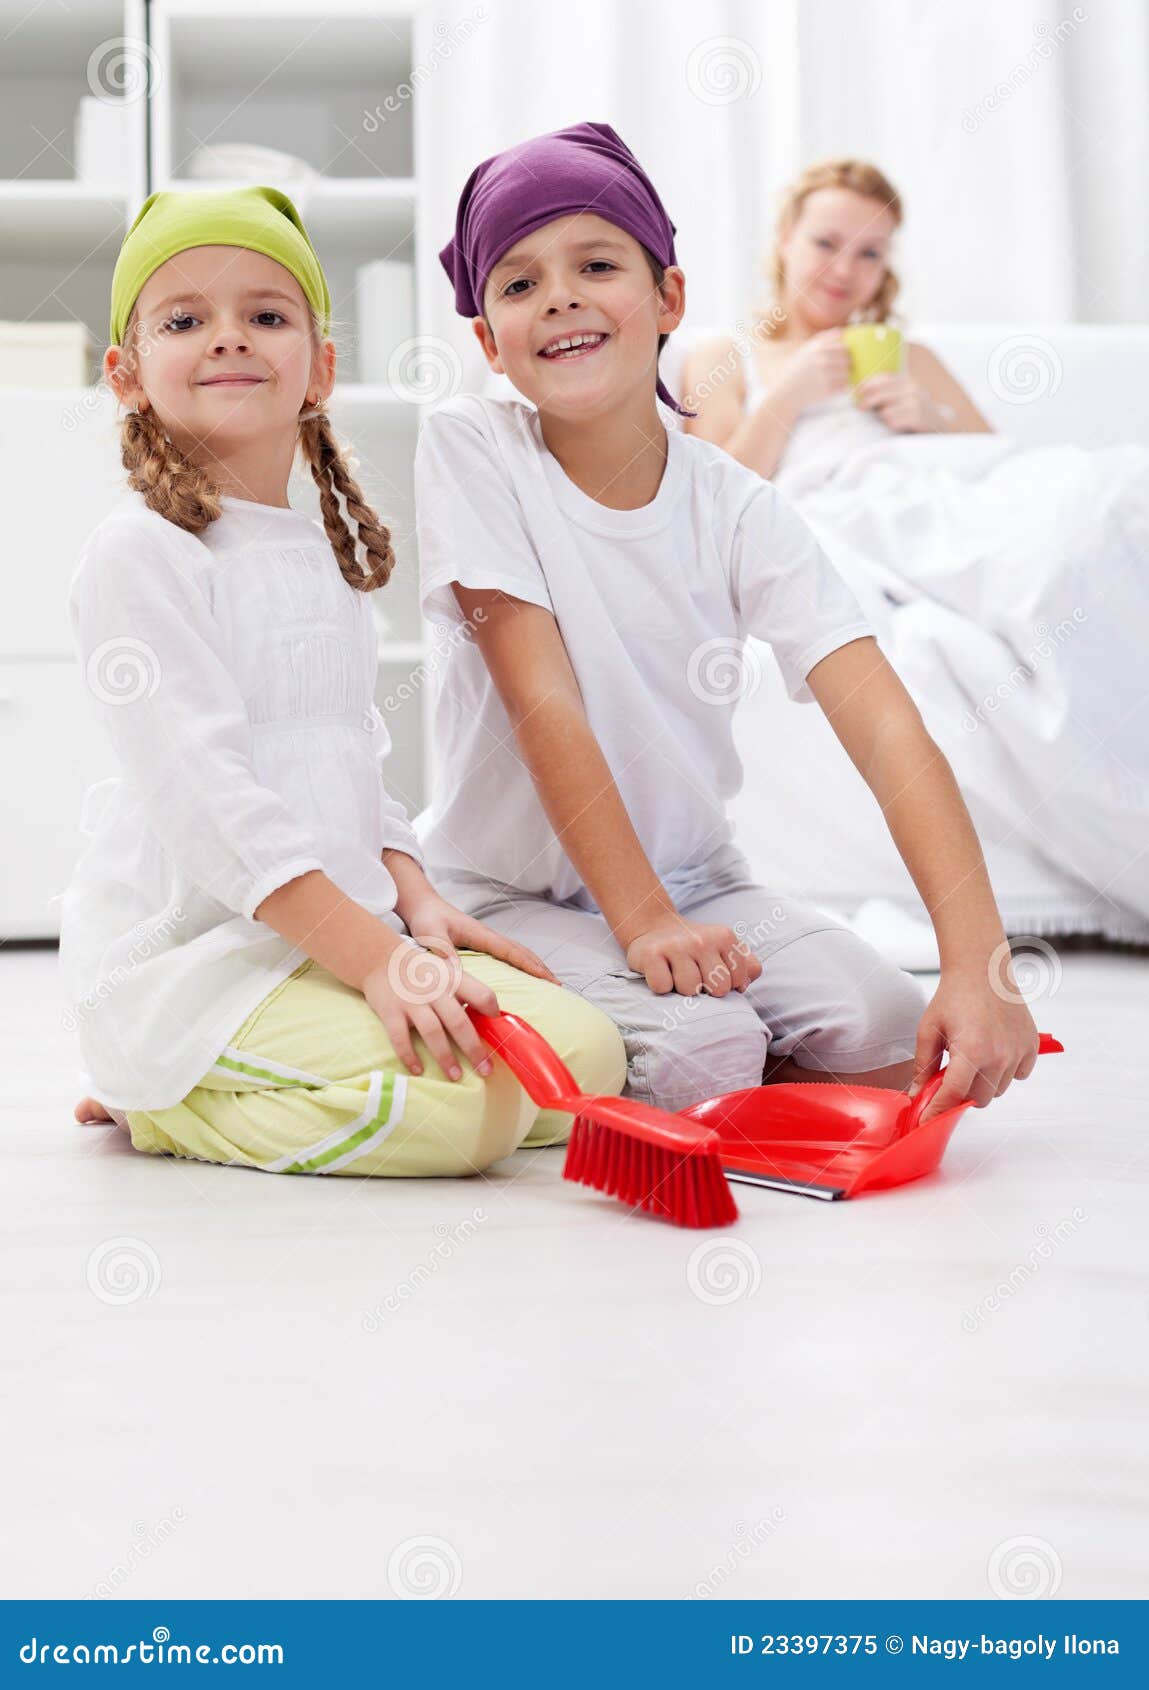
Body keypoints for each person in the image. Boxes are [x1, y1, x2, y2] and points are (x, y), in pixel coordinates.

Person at [413, 121, 1040, 1128]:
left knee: (888, 1028)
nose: (561, 295)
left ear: (669, 298)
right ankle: (679, 1054)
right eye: (520, 284)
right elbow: (541, 696)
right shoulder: (473, 449)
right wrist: (643, 920)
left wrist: (981, 965)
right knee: (706, 1047)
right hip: (504, 892)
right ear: (489, 341)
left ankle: (729, 1060)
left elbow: (884, 726)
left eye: (596, 264)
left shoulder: (738, 505)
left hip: (699, 882)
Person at [61, 183, 625, 1179]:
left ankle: (268, 1069)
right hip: (205, 963)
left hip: (341, 930)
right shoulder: (142, 554)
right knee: (467, 1115)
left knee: (589, 1054)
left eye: (267, 316)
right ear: (128, 374)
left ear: (319, 369)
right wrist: (377, 963)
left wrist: (416, 904)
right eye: (186, 319)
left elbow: (353, 750)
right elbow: (215, 807)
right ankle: (168, 1099)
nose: (229, 338)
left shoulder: (319, 549)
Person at [682, 158, 992, 480]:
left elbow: (1000, 469)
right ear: (786, 240)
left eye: (869, 253)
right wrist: (788, 397)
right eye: (825, 244)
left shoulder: (913, 359)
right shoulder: (724, 360)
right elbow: (712, 499)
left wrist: (937, 427)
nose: (844, 271)